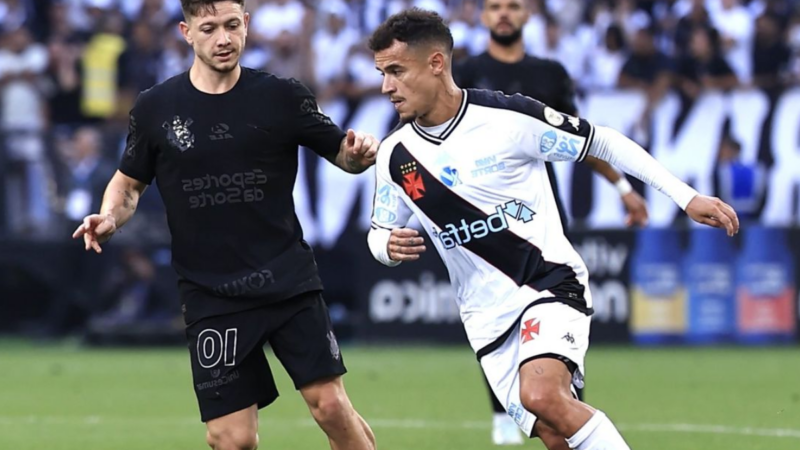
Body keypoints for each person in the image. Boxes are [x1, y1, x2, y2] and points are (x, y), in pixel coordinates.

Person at [366, 8, 739, 450]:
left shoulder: (507, 119)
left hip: (547, 282)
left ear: (436, 63)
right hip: (485, 319)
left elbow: (601, 141)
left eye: (396, 71)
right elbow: (379, 231)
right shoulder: (395, 155)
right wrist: (386, 246)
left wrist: (685, 196)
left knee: (542, 395)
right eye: (382, 74)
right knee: (553, 432)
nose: (386, 87)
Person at [72, 2, 377, 450]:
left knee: (330, 405)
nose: (224, 39)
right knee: (232, 439)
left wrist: (358, 153)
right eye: (209, 28)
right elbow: (129, 184)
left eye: (232, 26)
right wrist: (109, 216)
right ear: (186, 32)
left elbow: (342, 154)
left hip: (286, 279)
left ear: (246, 25)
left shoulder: (282, 95)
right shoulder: (155, 108)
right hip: (211, 292)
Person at [455, 1, 649, 444]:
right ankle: (503, 411)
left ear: (528, 15)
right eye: (494, 6)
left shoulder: (549, 74)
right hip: (483, 221)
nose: (504, 14)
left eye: (513, 6)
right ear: (483, 16)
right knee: (495, 312)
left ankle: (567, 403)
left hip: (540, 216)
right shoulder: (464, 74)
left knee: (558, 309)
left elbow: (581, 139)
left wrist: (622, 187)